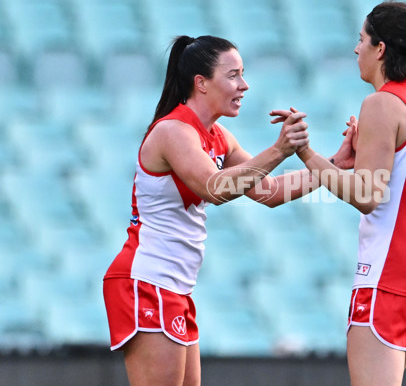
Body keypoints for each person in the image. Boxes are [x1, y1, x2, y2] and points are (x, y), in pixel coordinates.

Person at [102, 35, 354, 386]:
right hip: (147, 281)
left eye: (243, 74)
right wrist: (279, 150)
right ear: (201, 83)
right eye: (233, 75)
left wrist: (335, 164)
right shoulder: (173, 131)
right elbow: (215, 188)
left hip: (173, 287)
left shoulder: (218, 136)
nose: (244, 85)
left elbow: (269, 192)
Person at [277, 0, 406, 385]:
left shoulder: (381, 104)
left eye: (361, 40)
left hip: (391, 268)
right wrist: (350, 161)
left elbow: (368, 196)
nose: (356, 49)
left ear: (381, 49)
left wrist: (305, 153)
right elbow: (400, 179)